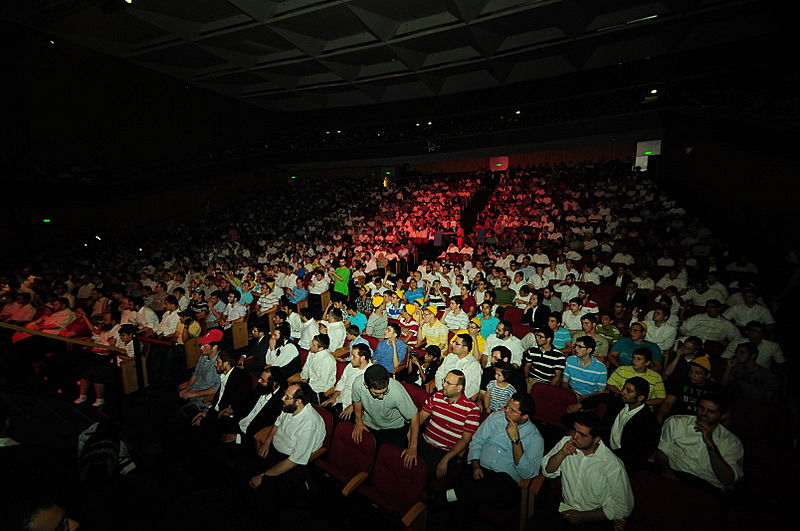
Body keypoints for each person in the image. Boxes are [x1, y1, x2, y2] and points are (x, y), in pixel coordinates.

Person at [443, 393, 544, 510]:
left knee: (482, 488)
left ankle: (446, 497)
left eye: (512, 410)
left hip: (504, 480)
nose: (506, 411)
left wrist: (516, 441)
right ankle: (453, 498)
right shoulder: (496, 418)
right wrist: (475, 465)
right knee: (468, 496)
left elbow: (527, 473)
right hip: (480, 467)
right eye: (507, 407)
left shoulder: (535, 439)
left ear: (525, 416)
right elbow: (477, 441)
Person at [540, 411, 634, 529]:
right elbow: (547, 471)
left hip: (593, 517)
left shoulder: (612, 464)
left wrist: (584, 516)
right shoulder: (566, 442)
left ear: (596, 439)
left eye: (582, 435)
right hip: (566, 508)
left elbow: (623, 507)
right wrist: (562, 453)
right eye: (575, 431)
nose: (575, 437)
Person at [247, 382, 326, 504]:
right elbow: (277, 424)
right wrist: (267, 442)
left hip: (289, 461)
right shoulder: (289, 406)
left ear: (298, 401)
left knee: (263, 487)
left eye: (287, 397)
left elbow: (294, 460)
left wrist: (264, 475)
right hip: (275, 448)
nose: (282, 398)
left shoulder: (310, 423)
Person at [656, 394, 744, 492]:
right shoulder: (676, 422)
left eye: (711, 411)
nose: (703, 413)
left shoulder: (732, 442)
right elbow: (661, 451)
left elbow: (727, 479)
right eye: (701, 408)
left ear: (722, 416)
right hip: (675, 476)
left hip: (707, 486)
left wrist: (710, 444)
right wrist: (666, 472)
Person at [417, 369, 481, 481]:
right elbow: (419, 419)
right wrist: (412, 445)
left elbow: (465, 440)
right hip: (424, 443)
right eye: (444, 381)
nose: (443, 385)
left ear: (459, 388)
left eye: (448, 383)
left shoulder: (471, 410)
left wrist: (446, 459)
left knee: (423, 477)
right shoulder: (437, 396)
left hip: (444, 452)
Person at [351, 365, 419, 466]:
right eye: (377, 394)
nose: (382, 396)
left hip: (393, 429)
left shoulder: (397, 391)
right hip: (370, 423)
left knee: (393, 463)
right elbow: (356, 401)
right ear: (366, 385)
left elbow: (414, 416)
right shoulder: (358, 383)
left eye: (384, 392)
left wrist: (413, 447)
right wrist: (359, 422)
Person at [605, 376, 660, 473]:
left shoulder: (649, 423)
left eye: (629, 391)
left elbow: (639, 455)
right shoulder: (619, 403)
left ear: (640, 398)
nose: (623, 392)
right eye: (624, 388)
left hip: (623, 466)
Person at [657, 355, 722, 423]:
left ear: (707, 375)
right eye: (690, 371)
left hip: (701, 421)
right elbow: (668, 403)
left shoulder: (715, 389)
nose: (692, 375)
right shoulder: (681, 382)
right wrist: (660, 417)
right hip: (677, 419)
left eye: (697, 373)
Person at [321, 343, 373, 420]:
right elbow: (342, 381)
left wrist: (353, 406)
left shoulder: (371, 373)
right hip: (341, 397)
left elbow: (368, 396)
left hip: (355, 405)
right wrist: (334, 396)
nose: (351, 358)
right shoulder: (350, 365)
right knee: (324, 412)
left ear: (362, 358)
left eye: (353, 356)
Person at [436, 333, 483, 399]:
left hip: (459, 399)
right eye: (454, 342)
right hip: (442, 393)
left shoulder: (473, 364)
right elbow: (439, 374)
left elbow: (473, 387)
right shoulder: (449, 357)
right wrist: (441, 390)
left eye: (457, 344)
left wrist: (456, 397)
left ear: (465, 348)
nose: (453, 345)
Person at [562, 336, 607, 403]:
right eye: (575, 346)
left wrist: (585, 397)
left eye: (579, 347)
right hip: (571, 393)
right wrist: (573, 393)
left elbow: (601, 391)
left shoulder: (601, 368)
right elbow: (564, 382)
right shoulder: (570, 360)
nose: (576, 349)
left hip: (590, 398)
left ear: (589, 350)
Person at [294, 334, 336, 404]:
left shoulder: (327, 360)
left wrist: (306, 385)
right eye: (311, 343)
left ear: (321, 348)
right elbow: (306, 367)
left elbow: (322, 383)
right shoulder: (312, 352)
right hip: (308, 384)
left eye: (313, 345)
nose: (310, 346)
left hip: (319, 390)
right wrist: (304, 378)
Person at [522, 326, 564, 390]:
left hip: (547, 383)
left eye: (541, 337)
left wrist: (549, 388)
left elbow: (557, 376)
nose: (537, 338)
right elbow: (527, 366)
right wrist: (526, 378)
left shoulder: (559, 356)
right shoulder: (532, 350)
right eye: (537, 336)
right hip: (532, 380)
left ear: (548, 339)